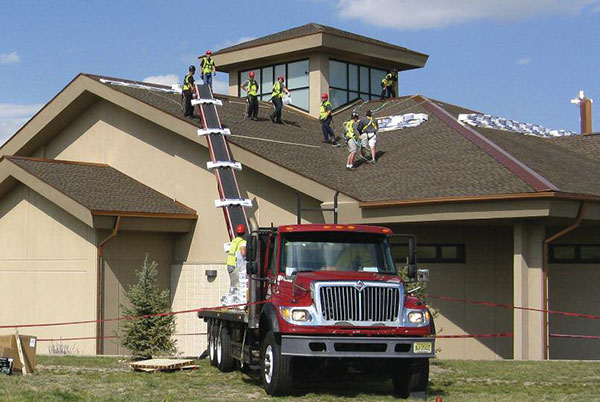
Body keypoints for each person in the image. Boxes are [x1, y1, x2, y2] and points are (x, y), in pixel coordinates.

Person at [226, 224, 247, 295]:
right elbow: (243, 253)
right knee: (236, 285)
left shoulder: (234, 241)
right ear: (244, 232)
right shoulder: (243, 242)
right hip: (235, 265)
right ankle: (234, 299)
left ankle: (232, 297)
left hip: (229, 264)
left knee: (233, 283)